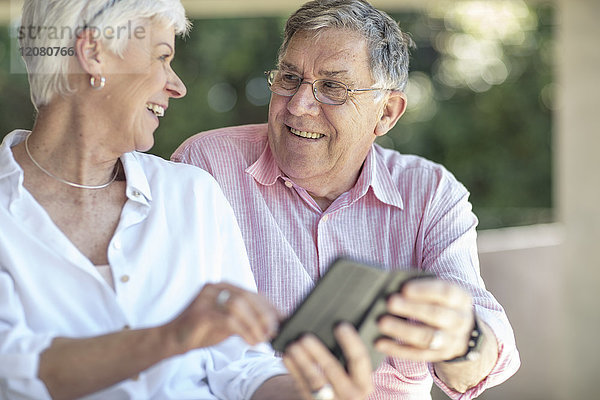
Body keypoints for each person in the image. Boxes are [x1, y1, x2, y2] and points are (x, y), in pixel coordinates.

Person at [0, 0, 374, 399]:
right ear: (94, 54)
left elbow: (243, 366)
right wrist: (172, 336)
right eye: (163, 57)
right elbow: (11, 368)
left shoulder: (192, 194)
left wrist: (309, 393)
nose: (176, 85)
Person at [172, 0, 521, 399]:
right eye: (289, 78)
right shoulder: (207, 166)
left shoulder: (430, 193)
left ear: (387, 113)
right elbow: (175, 337)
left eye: (333, 87)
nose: (299, 106)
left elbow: (481, 361)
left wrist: (461, 342)